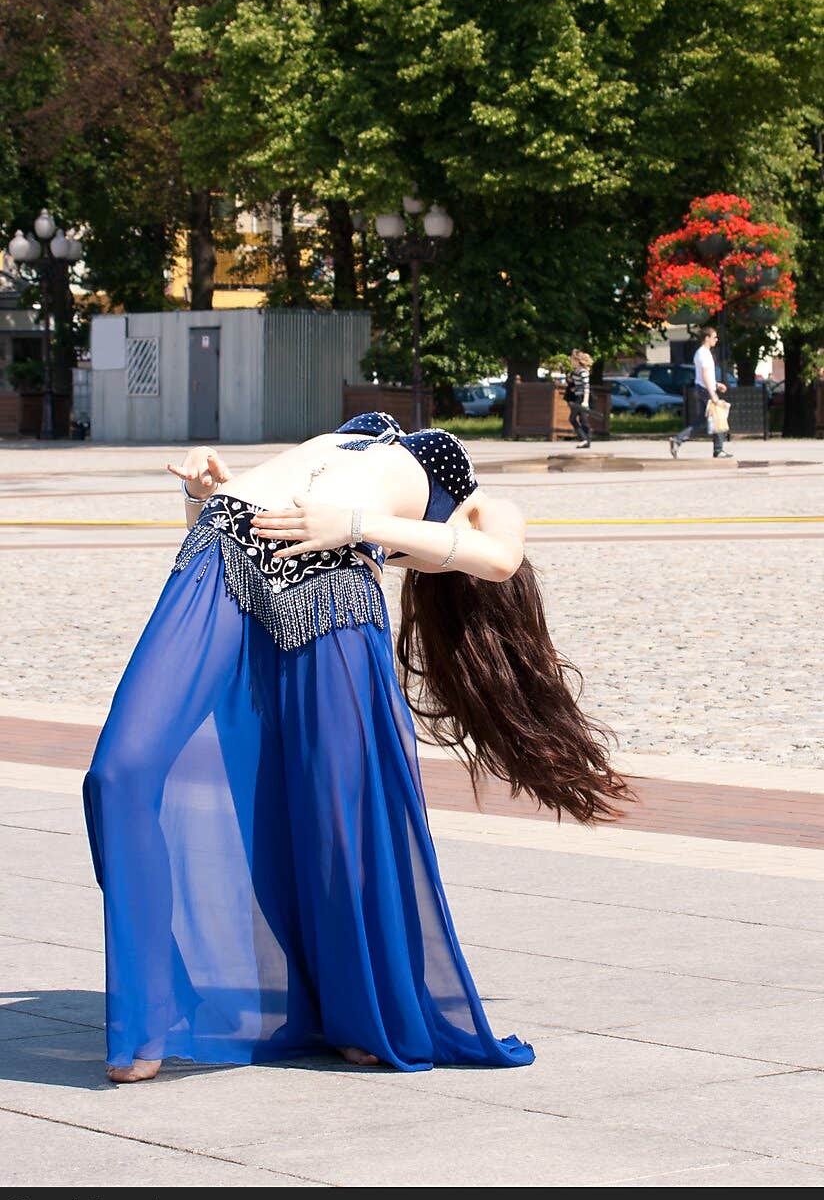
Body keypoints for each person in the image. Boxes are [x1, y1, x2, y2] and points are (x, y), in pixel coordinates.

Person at [83, 412, 629, 1082]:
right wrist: (202, 492)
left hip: (336, 585)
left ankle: (355, 1012)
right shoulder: (387, 465)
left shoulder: (484, 506)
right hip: (224, 540)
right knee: (119, 771)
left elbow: (502, 557)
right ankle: (154, 1006)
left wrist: (355, 527)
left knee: (339, 822)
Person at [669, 327, 734, 460]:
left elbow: (706, 375)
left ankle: (678, 439)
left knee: (701, 419)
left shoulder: (703, 353)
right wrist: (713, 395)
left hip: (703, 388)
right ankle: (718, 449)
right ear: (707, 338)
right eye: (714, 337)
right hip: (705, 390)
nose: (716, 340)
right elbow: (704, 375)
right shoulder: (703, 354)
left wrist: (716, 384)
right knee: (718, 416)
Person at [564, 350, 593, 449]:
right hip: (577, 396)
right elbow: (577, 383)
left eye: (572, 359)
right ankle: (586, 440)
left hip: (581, 398)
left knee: (576, 419)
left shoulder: (583, 371)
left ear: (576, 360)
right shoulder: (576, 370)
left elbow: (586, 387)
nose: (570, 361)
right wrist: (573, 386)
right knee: (581, 419)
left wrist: (585, 401)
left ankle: (585, 439)